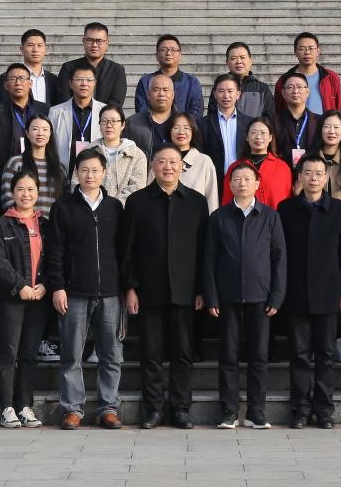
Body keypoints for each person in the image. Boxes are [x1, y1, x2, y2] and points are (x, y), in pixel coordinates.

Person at [122, 145, 210, 429]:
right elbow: (128, 249)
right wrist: (130, 288)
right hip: (149, 291)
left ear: (181, 166)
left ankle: (181, 409)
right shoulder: (137, 202)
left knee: (182, 353)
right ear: (153, 166)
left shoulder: (196, 202)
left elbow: (204, 250)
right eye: (162, 162)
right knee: (150, 353)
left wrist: (202, 289)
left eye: (173, 162)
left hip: (185, 291)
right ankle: (154, 410)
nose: (168, 167)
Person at [45, 149, 127, 430]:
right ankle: (72, 409)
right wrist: (58, 286)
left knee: (111, 355)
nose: (90, 175)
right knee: (71, 354)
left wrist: (125, 287)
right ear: (76, 173)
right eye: (84, 170)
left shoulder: (115, 207)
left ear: (104, 173)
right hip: (74, 292)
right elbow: (54, 251)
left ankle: (108, 408)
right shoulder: (63, 207)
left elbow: (123, 250)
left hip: (111, 293)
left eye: (95, 170)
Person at [204, 161, 287, 429]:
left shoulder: (270, 216)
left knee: (259, 357)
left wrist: (277, 296)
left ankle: (256, 412)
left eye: (247, 179)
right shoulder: (219, 217)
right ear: (229, 184)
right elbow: (209, 260)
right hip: (227, 297)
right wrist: (211, 296)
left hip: (260, 298)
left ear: (257, 184)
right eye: (237, 179)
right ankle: (228, 411)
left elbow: (279, 259)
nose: (242, 183)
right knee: (228, 357)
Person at [279, 155, 341, 429]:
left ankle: (324, 410)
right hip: (296, 292)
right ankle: (300, 409)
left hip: (328, 292)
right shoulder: (285, 209)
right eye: (308, 172)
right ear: (299, 176)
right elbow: (280, 254)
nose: (313, 178)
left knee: (325, 355)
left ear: (326, 178)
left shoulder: (340, 210)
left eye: (319, 173)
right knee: (299, 355)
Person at [0, 170, 50, 428]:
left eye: (31, 189)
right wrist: (20, 285)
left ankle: (24, 406)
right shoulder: (3, 224)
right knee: (8, 352)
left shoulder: (45, 224)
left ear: (38, 193)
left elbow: (55, 257)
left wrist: (46, 285)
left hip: (39, 298)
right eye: (21, 189)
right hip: (11, 298)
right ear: (12, 193)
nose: (26, 194)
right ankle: (6, 407)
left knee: (29, 353)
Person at [0, 62, 52, 170]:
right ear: (6, 85)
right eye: (13, 79)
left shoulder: (44, 109)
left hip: (38, 169)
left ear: (30, 83)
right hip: (4, 169)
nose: (18, 83)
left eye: (22, 78)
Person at [301, 110, 341, 220]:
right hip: (312, 218)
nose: (331, 131)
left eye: (336, 127)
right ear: (320, 130)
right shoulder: (307, 159)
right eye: (327, 127)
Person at [220, 118, 292, 210]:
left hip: (274, 218)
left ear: (270, 137)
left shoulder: (282, 168)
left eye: (263, 133)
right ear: (247, 137)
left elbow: (287, 202)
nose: (258, 137)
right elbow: (227, 201)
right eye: (253, 132)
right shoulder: (235, 167)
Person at [1, 115, 66, 217]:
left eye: (45, 129)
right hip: (22, 224)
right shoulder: (15, 163)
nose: (40, 133)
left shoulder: (60, 168)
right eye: (35, 129)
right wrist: (26, 221)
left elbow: (66, 202)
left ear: (50, 133)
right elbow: (7, 199)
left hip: (53, 224)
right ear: (27, 133)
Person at [48, 61, 105, 171]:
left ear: (95, 83)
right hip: (63, 172)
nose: (84, 83)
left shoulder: (104, 111)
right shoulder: (55, 112)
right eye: (79, 80)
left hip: (95, 173)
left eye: (89, 80)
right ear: (70, 84)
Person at [54, 22, 127, 107]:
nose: (94, 45)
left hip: (106, 115)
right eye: (90, 40)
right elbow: (63, 100)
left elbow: (116, 102)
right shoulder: (68, 68)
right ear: (83, 41)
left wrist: (101, 114)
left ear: (107, 43)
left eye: (99, 41)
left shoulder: (117, 70)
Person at [198, 73, 253, 185]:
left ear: (238, 94)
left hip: (242, 182)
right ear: (215, 94)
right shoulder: (202, 124)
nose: (226, 95)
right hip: (214, 181)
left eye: (230, 91)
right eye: (221, 91)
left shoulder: (249, 123)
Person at [134, 34, 204, 119]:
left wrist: (180, 125)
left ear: (180, 55)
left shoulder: (192, 82)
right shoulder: (146, 81)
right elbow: (141, 111)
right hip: (152, 127)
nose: (168, 53)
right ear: (157, 56)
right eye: (164, 49)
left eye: (173, 50)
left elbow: (196, 112)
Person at [273, 32, 341, 114]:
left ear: (318, 51)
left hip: (324, 122)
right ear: (295, 52)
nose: (307, 52)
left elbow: (339, 109)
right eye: (302, 49)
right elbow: (278, 111)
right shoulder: (284, 80)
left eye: (311, 48)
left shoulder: (331, 78)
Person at [92, 105, 148, 205]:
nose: (109, 125)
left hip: (124, 211)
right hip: (90, 209)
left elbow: (137, 188)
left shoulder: (137, 155)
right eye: (104, 121)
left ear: (122, 125)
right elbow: (77, 181)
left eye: (114, 121)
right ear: (99, 124)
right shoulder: (89, 151)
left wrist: (113, 207)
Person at [167, 114, 220, 212]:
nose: (181, 132)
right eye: (176, 128)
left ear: (193, 131)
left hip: (196, 218)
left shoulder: (204, 161)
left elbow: (212, 198)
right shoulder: (161, 159)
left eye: (186, 128)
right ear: (169, 131)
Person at [207, 42, 273, 118]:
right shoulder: (220, 87)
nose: (238, 61)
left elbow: (270, 118)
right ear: (227, 63)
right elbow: (211, 117)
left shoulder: (262, 89)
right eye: (233, 58)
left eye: (242, 57)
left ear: (250, 61)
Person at [269, 72, 321, 165]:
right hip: (283, 171)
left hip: (312, 171)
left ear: (307, 92)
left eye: (300, 87)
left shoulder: (320, 121)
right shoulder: (272, 122)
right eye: (290, 87)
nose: (295, 91)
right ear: (283, 93)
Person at [125, 72, 175, 158]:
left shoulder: (183, 123)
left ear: (173, 94)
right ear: (148, 94)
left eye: (166, 90)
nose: (161, 94)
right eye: (156, 89)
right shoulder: (132, 123)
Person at [3, 29, 59, 104]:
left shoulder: (53, 80)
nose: (35, 50)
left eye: (39, 45)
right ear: (22, 49)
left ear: (46, 49)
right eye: (30, 45)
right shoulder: (9, 78)